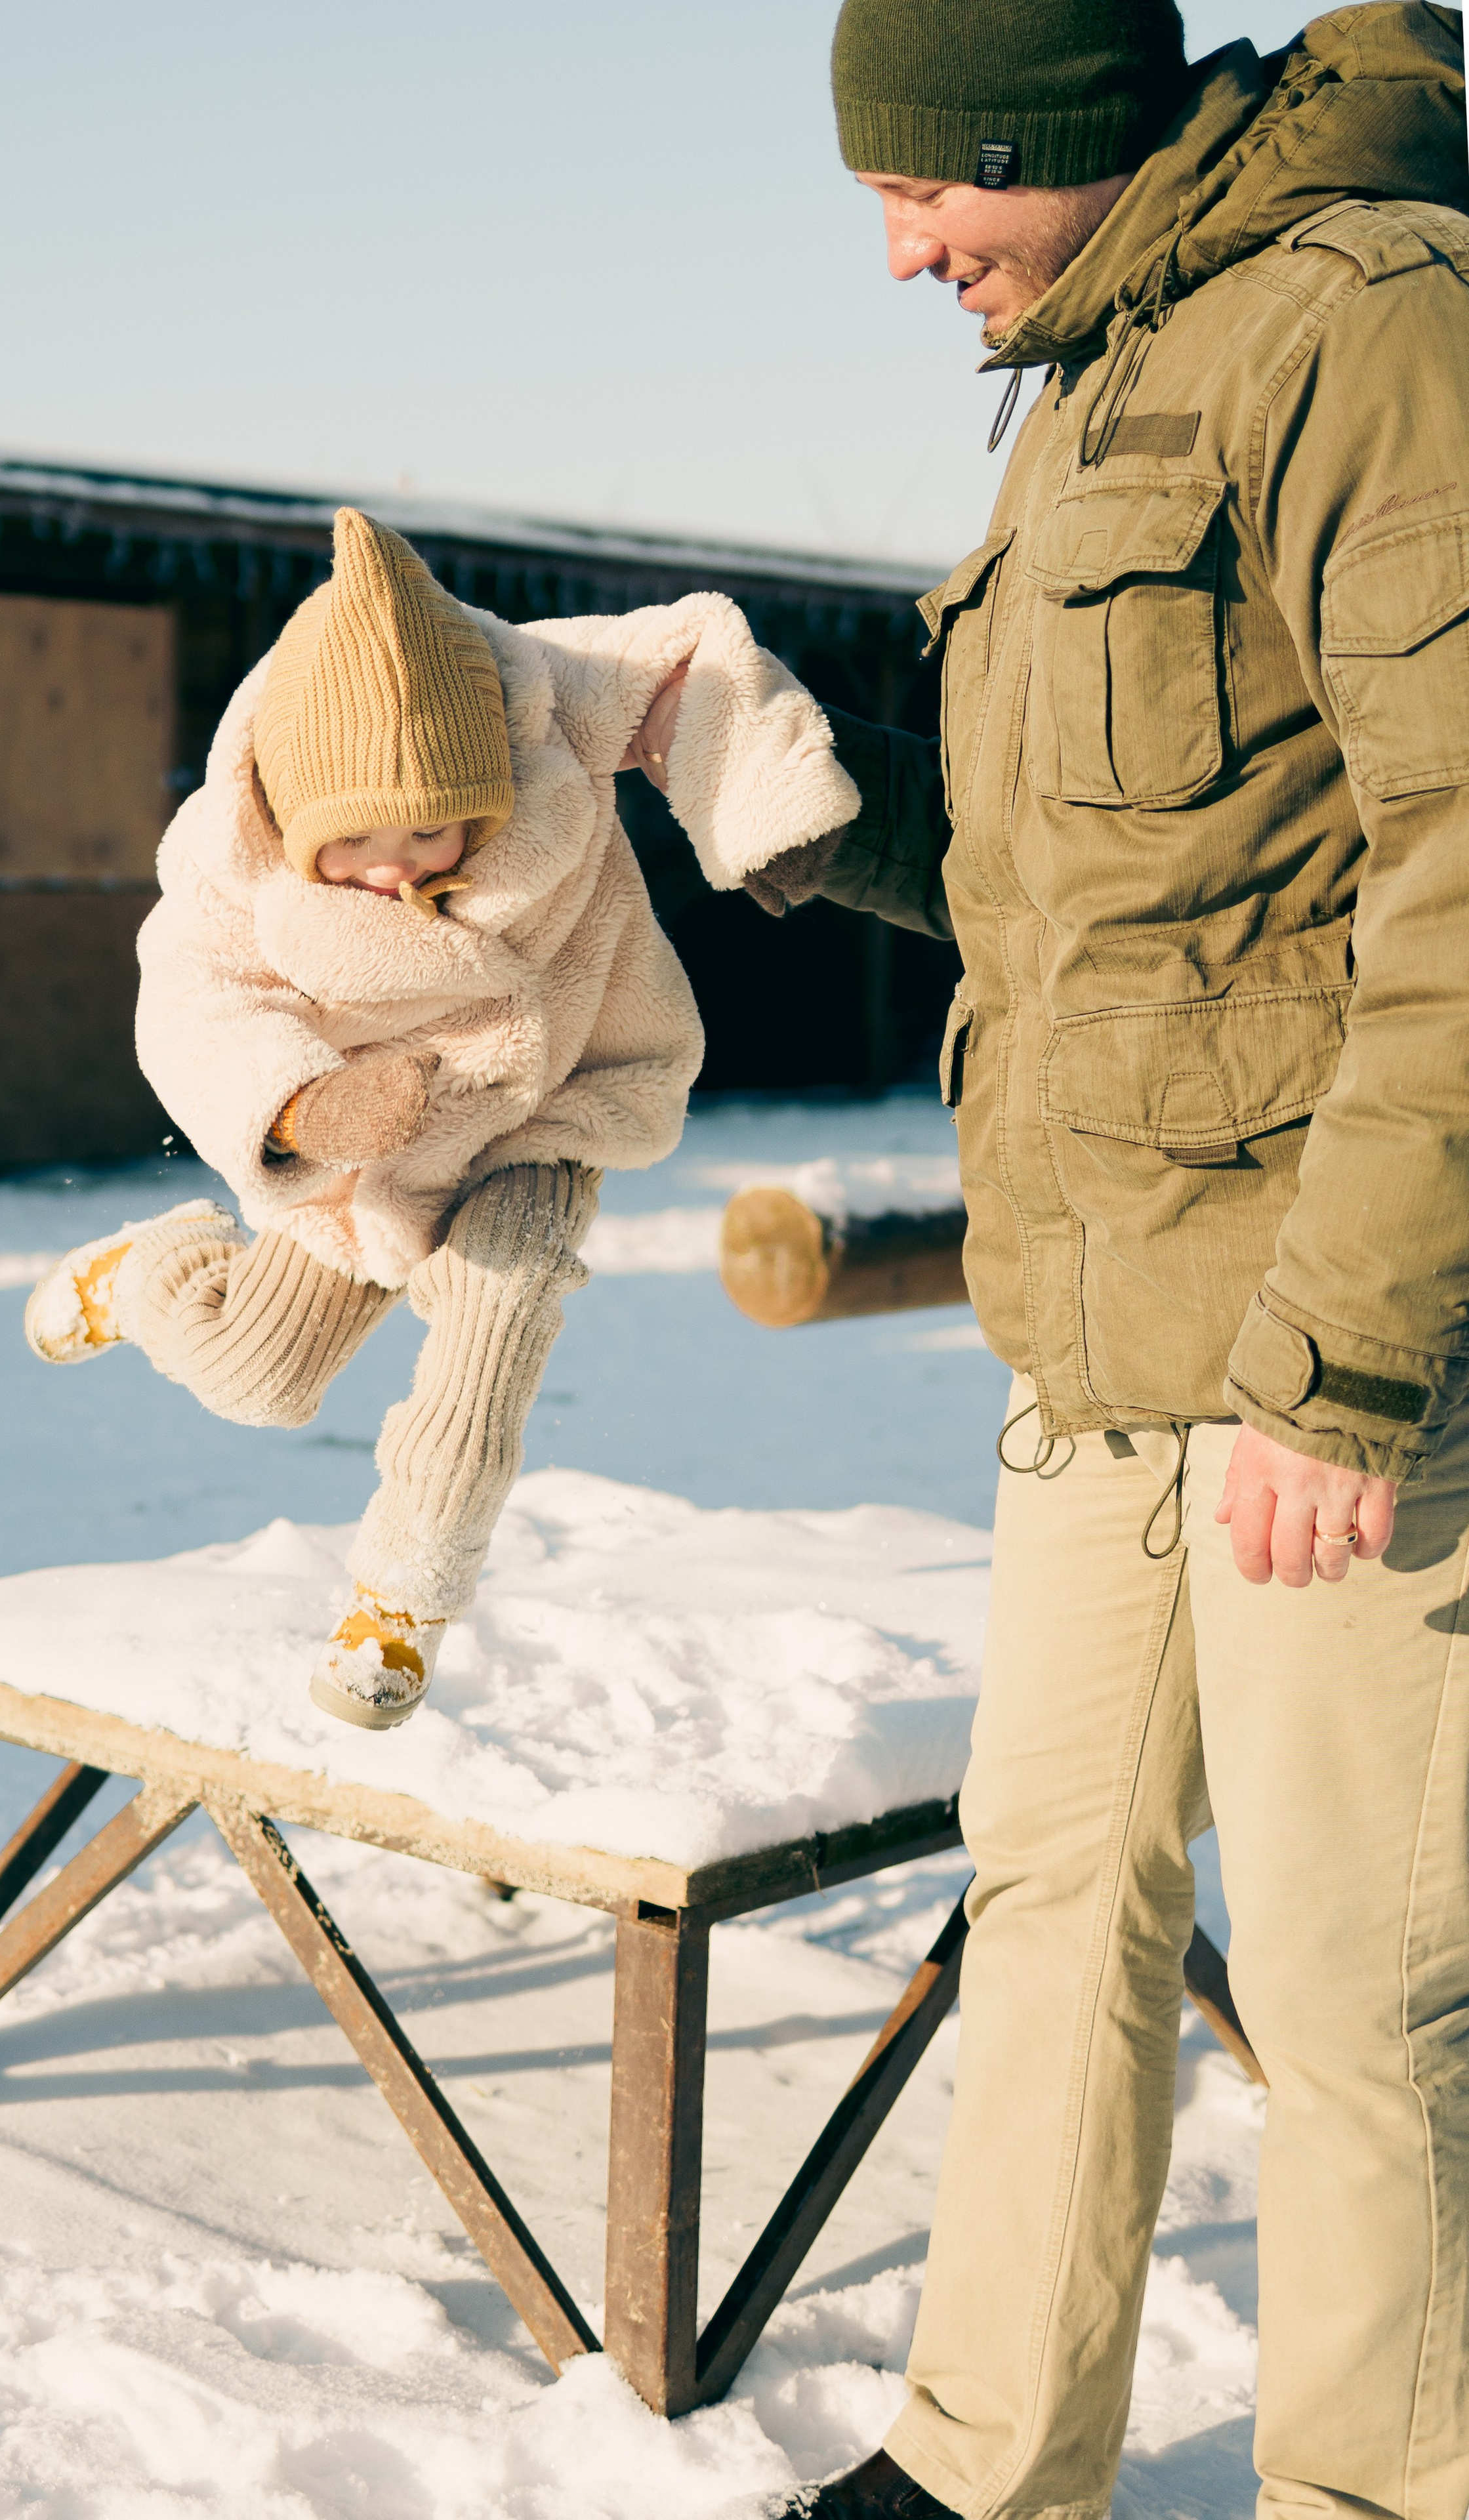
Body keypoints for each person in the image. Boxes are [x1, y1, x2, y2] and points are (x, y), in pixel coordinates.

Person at [742, 4, 1469, 2515]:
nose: (905, 248)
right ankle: (985, 2472)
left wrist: (1348, 1358)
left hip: (1334, 1368)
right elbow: (1110, 902)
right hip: (1106, 1345)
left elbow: (1464, 871)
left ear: (1046, 133)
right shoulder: (1084, 379)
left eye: (927, 192)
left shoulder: (1367, 323)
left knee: (1375, 2009)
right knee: (1055, 1902)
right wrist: (802, 813)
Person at [24, 506, 851, 1727]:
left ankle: (399, 1606)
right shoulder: (231, 847)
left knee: (494, 1321)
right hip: (366, 1146)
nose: (401, 865)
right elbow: (189, 1003)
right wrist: (304, 1107)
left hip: (559, 1098)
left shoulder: (535, 697)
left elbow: (695, 650)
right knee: (258, 1377)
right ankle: (150, 1274)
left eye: (434, 828)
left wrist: (765, 805)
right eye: (358, 842)